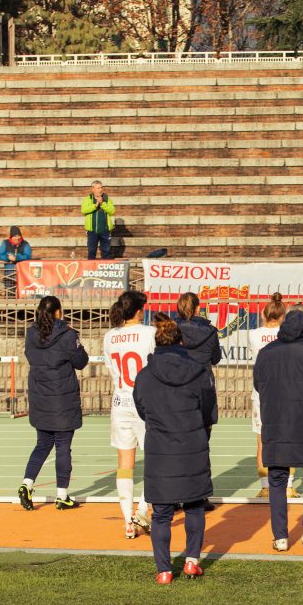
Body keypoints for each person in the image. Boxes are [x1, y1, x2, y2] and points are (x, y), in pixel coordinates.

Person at [132, 313, 212, 583]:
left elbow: (142, 409)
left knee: (162, 513)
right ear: (181, 341)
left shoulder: (145, 375)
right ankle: (191, 561)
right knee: (194, 505)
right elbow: (207, 409)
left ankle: (164, 570)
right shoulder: (197, 371)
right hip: (191, 444)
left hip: (160, 448)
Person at [254, 304, 303, 551]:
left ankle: (280, 537)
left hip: (276, 420)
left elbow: (258, 384)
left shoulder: (266, 352)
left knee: (277, 478)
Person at [17, 295, 89, 511]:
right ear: (58, 312)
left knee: (42, 444)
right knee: (63, 447)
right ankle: (62, 495)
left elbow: (31, 356)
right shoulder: (67, 334)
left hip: (40, 396)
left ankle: (27, 484)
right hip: (62, 397)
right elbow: (81, 362)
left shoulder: (31, 333)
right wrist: (76, 341)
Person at [103, 290, 156, 539]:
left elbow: (111, 369)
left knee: (125, 464)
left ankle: (127, 521)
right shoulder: (149, 333)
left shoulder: (110, 336)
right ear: (138, 311)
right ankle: (142, 510)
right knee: (154, 460)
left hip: (120, 401)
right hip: (145, 402)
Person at [249, 293, 300, 499]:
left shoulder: (254, 334)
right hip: (286, 390)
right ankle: (288, 485)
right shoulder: (288, 334)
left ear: (264, 314)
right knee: (289, 437)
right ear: (282, 316)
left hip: (261, 391)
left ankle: (265, 486)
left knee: (262, 440)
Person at [176, 292, 221, 439]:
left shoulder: (171, 329)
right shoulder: (210, 331)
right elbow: (215, 359)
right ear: (197, 308)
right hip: (203, 383)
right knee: (204, 430)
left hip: (178, 383)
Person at [81, 180, 114, 260]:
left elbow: (112, 211)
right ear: (93, 189)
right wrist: (95, 206)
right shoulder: (88, 199)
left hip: (105, 230)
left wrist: (102, 204)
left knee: (106, 251)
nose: (100, 190)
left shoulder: (107, 199)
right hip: (92, 231)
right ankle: (91, 267)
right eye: (98, 188)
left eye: (101, 188)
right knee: (91, 251)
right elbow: (84, 210)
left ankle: (105, 267)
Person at [0, 226, 31, 295]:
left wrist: (16, 258)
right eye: (15, 236)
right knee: (9, 293)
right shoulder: (5, 243)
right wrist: (8, 257)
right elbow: (0, 256)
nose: (17, 238)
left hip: (22, 273)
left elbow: (27, 256)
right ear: (11, 236)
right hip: (9, 273)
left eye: (19, 236)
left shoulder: (25, 244)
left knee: (22, 293)